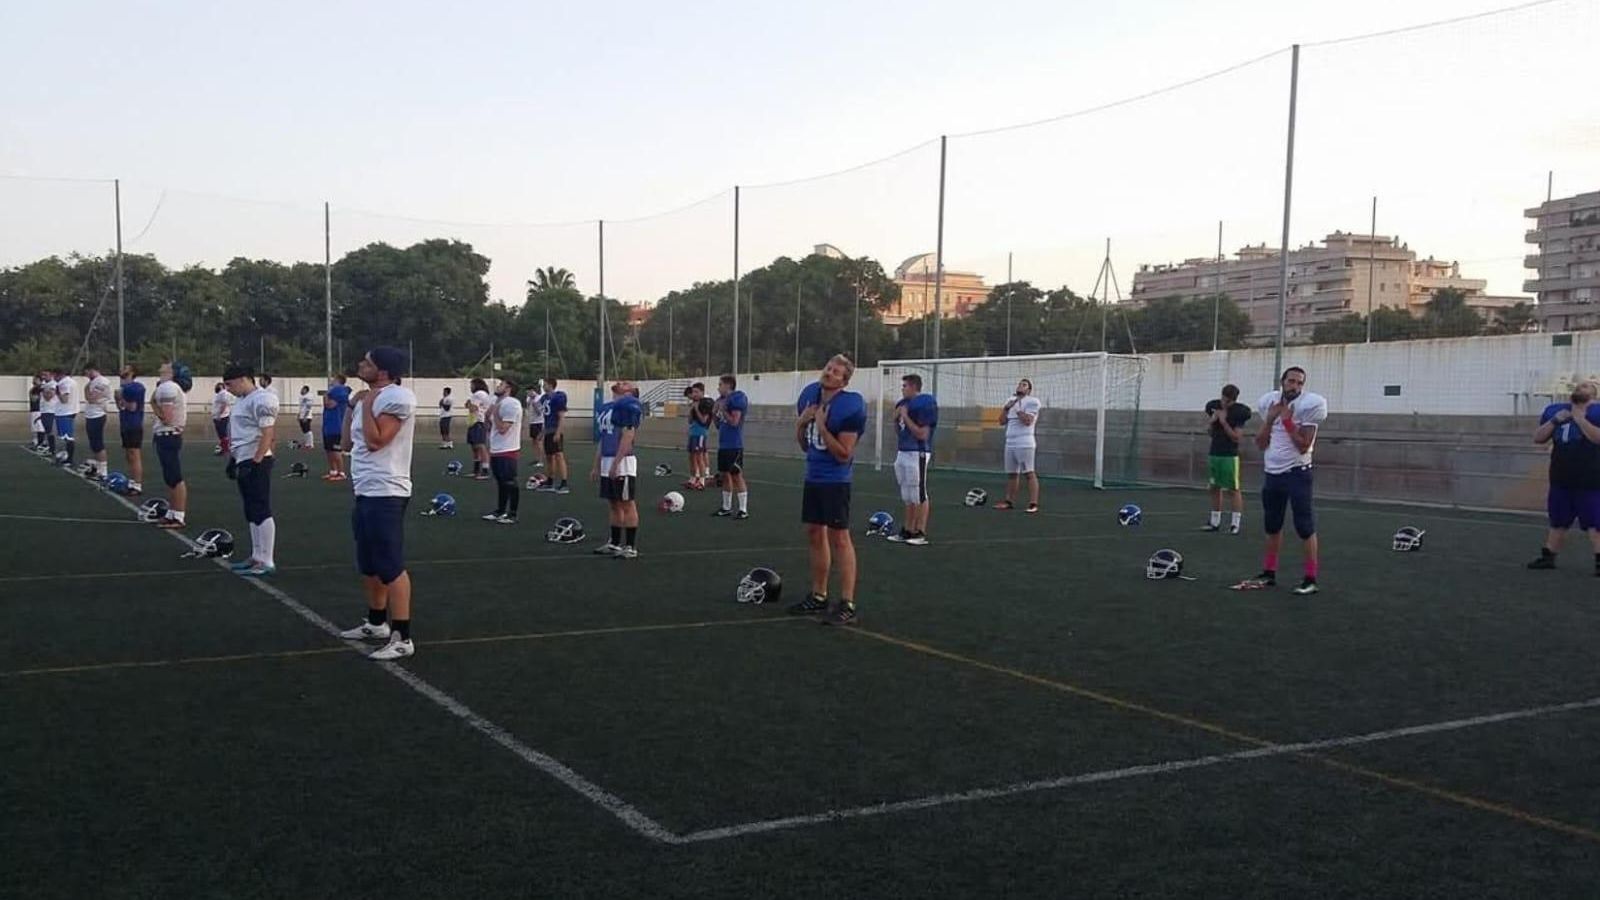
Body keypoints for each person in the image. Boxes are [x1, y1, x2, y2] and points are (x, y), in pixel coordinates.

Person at [338, 347, 419, 660]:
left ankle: (402, 636)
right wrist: (351, 407)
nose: (361, 364)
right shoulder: (367, 397)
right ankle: (376, 623)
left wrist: (369, 401)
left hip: (387, 490)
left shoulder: (395, 396)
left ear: (383, 371)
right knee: (368, 562)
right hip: (366, 489)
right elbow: (346, 444)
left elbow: (375, 442)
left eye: (368, 362)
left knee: (389, 564)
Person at [1235, 366, 1328, 595]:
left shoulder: (1310, 405)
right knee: (1272, 525)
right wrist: (1270, 420)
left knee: (1304, 527)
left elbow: (1304, 445)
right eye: (1291, 381)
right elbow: (1260, 443)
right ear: (1282, 381)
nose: (1294, 386)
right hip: (1273, 473)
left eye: (1299, 383)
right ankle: (1269, 572)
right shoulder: (1270, 403)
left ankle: (1310, 577)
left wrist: (1287, 422)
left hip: (1297, 473)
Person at [790, 355, 868, 624]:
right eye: (828, 368)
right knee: (814, 532)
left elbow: (844, 454)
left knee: (840, 538)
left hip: (836, 481)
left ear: (843, 381)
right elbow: (804, 445)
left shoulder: (849, 405)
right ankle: (818, 594)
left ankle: (847, 602)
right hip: (813, 476)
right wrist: (802, 423)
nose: (829, 373)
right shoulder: (810, 396)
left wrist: (822, 424)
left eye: (836, 371)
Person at [1527, 380, 1600, 573]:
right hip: (1561, 476)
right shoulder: (1555, 411)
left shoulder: (1596, 413)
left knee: (1595, 522)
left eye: (1585, 386)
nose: (1580, 388)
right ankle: (1548, 556)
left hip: (1591, 477)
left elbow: (1597, 438)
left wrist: (1581, 419)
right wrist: (1554, 421)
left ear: (1594, 395)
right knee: (1558, 519)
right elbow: (1538, 438)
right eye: (1578, 386)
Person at [223, 364, 279, 576]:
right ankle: (256, 556)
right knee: (251, 509)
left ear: (243, 379)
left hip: (257, 459)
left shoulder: (263, 399)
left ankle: (267, 559)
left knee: (260, 507)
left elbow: (267, 433)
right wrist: (233, 459)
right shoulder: (241, 401)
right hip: (243, 458)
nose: (228, 389)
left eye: (230, 384)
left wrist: (256, 462)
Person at [591, 381, 643, 558]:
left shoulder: (628, 407)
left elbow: (628, 436)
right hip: (607, 459)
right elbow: (604, 438)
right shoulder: (607, 408)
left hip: (623, 462)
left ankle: (630, 546)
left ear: (631, 392)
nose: (621, 383)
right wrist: (597, 465)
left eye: (626, 384)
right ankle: (614, 542)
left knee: (627, 503)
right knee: (613, 503)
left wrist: (616, 463)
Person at [890, 373, 938, 545]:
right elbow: (900, 432)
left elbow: (922, 434)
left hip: (917, 452)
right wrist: (896, 419)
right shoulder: (902, 404)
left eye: (905, 386)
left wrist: (906, 416)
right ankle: (907, 529)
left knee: (919, 492)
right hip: (903, 451)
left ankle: (920, 531)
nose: (902, 389)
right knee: (907, 493)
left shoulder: (924, 403)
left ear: (913, 387)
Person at [1204, 384, 1253, 534]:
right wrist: (1213, 422)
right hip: (1214, 453)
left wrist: (1224, 422)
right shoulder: (1215, 406)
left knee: (1233, 489)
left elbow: (1236, 438)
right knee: (1214, 487)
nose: (1224, 403)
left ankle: (1235, 523)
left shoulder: (1238, 412)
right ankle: (1214, 521)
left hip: (1229, 455)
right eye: (1223, 399)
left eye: (1228, 400)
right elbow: (1210, 433)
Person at [151, 361, 192, 529]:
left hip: (168, 434)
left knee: (174, 476)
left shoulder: (168, 387)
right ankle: (173, 512)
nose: (162, 366)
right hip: (168, 435)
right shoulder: (168, 387)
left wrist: (157, 410)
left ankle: (179, 514)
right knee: (170, 476)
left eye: (166, 366)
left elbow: (167, 417)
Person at [996, 378, 1041, 512]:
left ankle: (1033, 504)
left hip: (1025, 442)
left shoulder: (1033, 402)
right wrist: (1006, 408)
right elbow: (1001, 421)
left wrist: (1017, 408)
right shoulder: (1010, 401)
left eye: (1024, 384)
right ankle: (1008, 501)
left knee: (1029, 472)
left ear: (1029, 389)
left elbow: (1028, 421)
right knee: (1012, 474)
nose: (1020, 386)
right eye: (1019, 384)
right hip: (1010, 442)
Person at [483, 377, 523, 524]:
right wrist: (488, 415)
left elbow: (503, 429)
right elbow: (490, 426)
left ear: (508, 388)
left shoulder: (511, 403)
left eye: (501, 384)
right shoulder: (497, 403)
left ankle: (513, 513)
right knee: (501, 481)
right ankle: (500, 511)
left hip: (508, 449)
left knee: (510, 481)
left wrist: (494, 414)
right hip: (496, 449)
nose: (498, 386)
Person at [713, 374, 750, 518]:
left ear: (728, 385)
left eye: (720, 384)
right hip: (723, 444)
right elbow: (718, 425)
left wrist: (723, 410)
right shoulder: (721, 401)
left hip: (734, 444)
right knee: (725, 475)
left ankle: (743, 509)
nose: (718, 387)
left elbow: (734, 422)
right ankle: (726, 507)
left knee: (736, 475)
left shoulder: (736, 398)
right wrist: (715, 414)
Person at [117, 366, 147, 495]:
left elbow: (132, 407)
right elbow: (121, 407)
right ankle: (132, 481)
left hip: (133, 424)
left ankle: (137, 484)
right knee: (129, 455)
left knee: (134, 454)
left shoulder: (135, 387)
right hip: (125, 423)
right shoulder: (124, 388)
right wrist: (118, 398)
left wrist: (121, 398)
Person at [538, 376, 570, 494]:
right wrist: (543, 432)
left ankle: (564, 482)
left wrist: (558, 432)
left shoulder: (558, 397)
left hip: (555, 430)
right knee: (549, 457)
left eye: (545, 384)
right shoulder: (544, 398)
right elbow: (546, 417)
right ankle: (550, 481)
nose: (543, 386)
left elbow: (561, 417)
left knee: (558, 455)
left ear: (551, 385)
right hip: (548, 430)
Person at [81, 363, 112, 478]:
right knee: (94, 443)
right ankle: (98, 467)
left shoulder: (102, 381)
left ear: (92, 370)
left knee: (98, 443)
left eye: (87, 372)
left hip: (97, 414)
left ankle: (103, 471)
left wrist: (86, 390)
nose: (86, 375)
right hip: (91, 414)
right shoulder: (93, 382)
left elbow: (91, 398)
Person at [322, 374, 352, 480]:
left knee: (335, 450)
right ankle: (333, 471)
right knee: (328, 449)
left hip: (336, 426)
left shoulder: (340, 391)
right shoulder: (333, 392)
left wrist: (326, 396)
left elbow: (329, 404)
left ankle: (341, 473)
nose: (332, 380)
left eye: (334, 379)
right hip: (328, 425)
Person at [684, 382, 712, 490]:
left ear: (702, 392)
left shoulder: (705, 403)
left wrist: (696, 408)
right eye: (693, 392)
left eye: (697, 392)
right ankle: (692, 478)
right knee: (691, 456)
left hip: (700, 433)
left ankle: (702, 480)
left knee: (699, 456)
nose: (694, 394)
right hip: (693, 432)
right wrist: (691, 410)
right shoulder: (694, 403)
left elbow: (703, 420)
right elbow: (690, 420)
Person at [467, 377, 493, 480]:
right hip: (474, 421)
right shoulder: (482, 395)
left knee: (480, 445)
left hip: (478, 421)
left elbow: (473, 407)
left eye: (472, 385)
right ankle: (476, 470)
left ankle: (485, 470)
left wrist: (469, 404)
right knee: (475, 446)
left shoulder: (478, 394)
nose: (471, 387)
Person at [54, 367, 79, 467]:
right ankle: (66, 457)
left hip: (65, 412)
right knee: (66, 436)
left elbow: (64, 399)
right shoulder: (72, 382)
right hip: (69, 410)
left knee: (67, 437)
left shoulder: (64, 384)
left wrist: (58, 392)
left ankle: (69, 459)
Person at [210, 382, 233, 457]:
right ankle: (224, 448)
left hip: (221, 417)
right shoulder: (220, 394)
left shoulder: (223, 393)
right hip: (219, 416)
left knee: (223, 434)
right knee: (221, 434)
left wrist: (219, 414)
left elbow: (224, 404)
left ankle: (225, 450)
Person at [38, 372, 58, 457]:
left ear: (51, 375)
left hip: (50, 410)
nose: (43, 377)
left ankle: (52, 449)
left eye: (46, 375)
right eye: (43, 375)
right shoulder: (45, 384)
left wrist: (43, 390)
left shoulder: (53, 384)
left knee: (49, 430)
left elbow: (49, 397)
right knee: (47, 430)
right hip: (44, 410)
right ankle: (50, 447)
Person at [525, 383, 545, 460]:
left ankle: (541, 459)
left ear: (533, 391)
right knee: (533, 441)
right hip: (532, 422)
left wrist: (534, 404)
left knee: (539, 441)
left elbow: (539, 412)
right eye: (527, 393)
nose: (528, 394)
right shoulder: (528, 398)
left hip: (539, 422)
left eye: (529, 392)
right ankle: (536, 458)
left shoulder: (539, 398)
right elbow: (528, 409)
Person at [28, 374, 45, 451]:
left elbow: (36, 399)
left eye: (35, 379)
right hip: (34, 409)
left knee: (40, 426)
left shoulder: (41, 388)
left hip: (39, 410)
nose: (34, 380)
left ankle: (41, 443)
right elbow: (33, 398)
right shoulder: (34, 389)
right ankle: (36, 441)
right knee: (35, 427)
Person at [296, 385, 315, 450]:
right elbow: (301, 408)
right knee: (304, 430)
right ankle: (307, 443)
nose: (301, 390)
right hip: (302, 416)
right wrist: (299, 415)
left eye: (302, 389)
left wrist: (305, 416)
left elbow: (308, 408)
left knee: (307, 429)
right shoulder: (302, 397)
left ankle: (311, 444)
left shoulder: (309, 397)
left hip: (307, 416)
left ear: (306, 390)